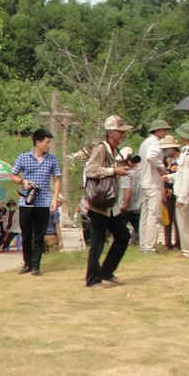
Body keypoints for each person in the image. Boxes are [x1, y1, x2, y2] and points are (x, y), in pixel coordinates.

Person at [84, 116, 135, 286]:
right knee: (97, 243)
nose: (123, 135)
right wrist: (113, 171)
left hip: (110, 205)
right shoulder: (101, 148)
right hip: (99, 204)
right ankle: (92, 279)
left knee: (123, 236)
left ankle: (106, 271)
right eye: (120, 132)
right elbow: (91, 170)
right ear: (111, 132)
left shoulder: (114, 150)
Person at [11, 129, 61, 275]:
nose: (49, 145)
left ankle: (36, 266)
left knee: (39, 235)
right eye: (47, 142)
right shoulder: (23, 157)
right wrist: (22, 181)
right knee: (26, 234)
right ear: (38, 142)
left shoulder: (52, 159)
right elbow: (13, 175)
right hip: (26, 201)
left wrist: (55, 198)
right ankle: (27, 263)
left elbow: (57, 179)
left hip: (43, 201)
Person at [137, 119, 171, 252]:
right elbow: (151, 157)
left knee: (145, 214)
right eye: (163, 130)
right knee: (154, 214)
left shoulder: (145, 143)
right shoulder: (155, 143)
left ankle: (143, 243)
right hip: (153, 182)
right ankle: (149, 245)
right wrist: (162, 168)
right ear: (157, 131)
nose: (165, 132)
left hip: (144, 181)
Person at [171, 124, 189, 259]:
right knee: (185, 222)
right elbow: (182, 173)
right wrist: (171, 177)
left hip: (187, 194)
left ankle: (188, 250)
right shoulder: (188, 150)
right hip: (186, 192)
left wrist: (183, 197)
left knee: (185, 223)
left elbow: (188, 175)